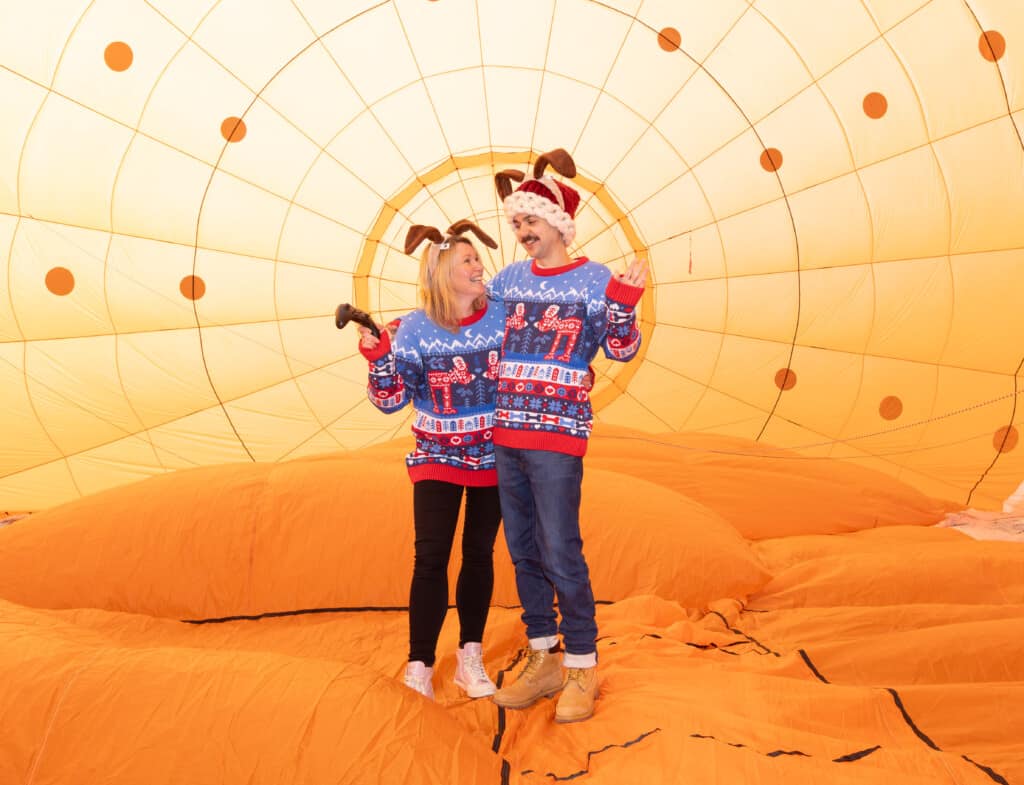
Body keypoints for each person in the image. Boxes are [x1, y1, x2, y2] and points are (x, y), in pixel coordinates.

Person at [486, 149, 648, 723]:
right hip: (506, 431)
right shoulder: (506, 281)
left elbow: (621, 349)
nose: (522, 231)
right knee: (523, 550)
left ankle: (582, 663)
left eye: (530, 220)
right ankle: (543, 658)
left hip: (556, 434)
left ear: (558, 223)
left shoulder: (592, 280)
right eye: (516, 223)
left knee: (561, 550)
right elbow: (481, 346)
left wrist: (625, 306)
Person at [356, 220, 507, 700]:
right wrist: (378, 357)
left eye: (476, 258)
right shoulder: (413, 330)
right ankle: (420, 663)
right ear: (443, 272)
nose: (478, 265)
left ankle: (470, 658)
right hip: (437, 455)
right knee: (431, 558)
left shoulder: (501, 317)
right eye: (467, 260)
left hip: (493, 457)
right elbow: (390, 400)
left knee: (479, 555)